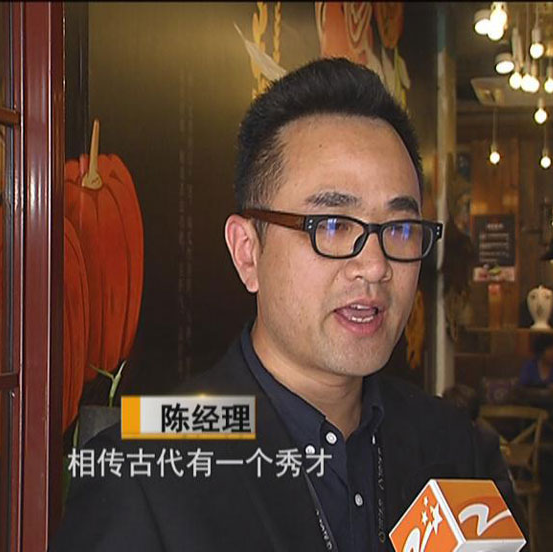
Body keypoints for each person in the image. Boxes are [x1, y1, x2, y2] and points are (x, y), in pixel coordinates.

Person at [52, 59, 518, 551]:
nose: (375, 266)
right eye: (333, 226)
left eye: (400, 229)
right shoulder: (142, 467)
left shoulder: (451, 445)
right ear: (247, 252)